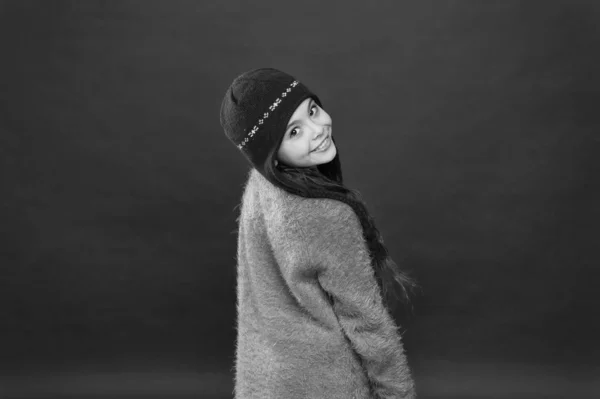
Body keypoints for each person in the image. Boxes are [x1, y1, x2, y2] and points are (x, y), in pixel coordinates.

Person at [220, 68, 417, 399]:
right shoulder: (328, 215)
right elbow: (366, 324)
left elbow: (253, 296)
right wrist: (398, 393)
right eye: (294, 132)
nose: (318, 129)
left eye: (312, 110)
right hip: (325, 384)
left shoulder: (259, 188)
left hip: (265, 383)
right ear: (269, 152)